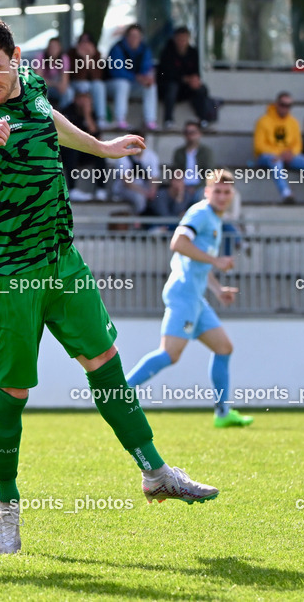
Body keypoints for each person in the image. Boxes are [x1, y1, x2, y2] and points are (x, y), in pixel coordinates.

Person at [0, 8, 218, 555]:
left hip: (62, 259)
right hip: (9, 270)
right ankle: (6, 502)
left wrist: (103, 148)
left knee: (105, 362)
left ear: (15, 58)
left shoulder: (34, 85)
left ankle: (155, 472)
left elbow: (54, 124)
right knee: (13, 390)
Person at [126, 170, 252, 427]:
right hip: (183, 294)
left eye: (226, 192)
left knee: (224, 348)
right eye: (217, 191)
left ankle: (223, 413)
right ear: (207, 192)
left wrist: (218, 290)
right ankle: (119, 393)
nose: (222, 196)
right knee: (170, 354)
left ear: (232, 195)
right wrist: (216, 260)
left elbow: (198, 264)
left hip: (196, 298)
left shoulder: (215, 219)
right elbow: (178, 243)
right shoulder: (200, 213)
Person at [253, 91, 304, 204]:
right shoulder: (263, 121)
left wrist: (291, 153)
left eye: (288, 105)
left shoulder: (293, 122)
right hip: (267, 156)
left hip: (288, 155)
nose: (285, 108)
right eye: (283, 104)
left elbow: (298, 144)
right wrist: (280, 154)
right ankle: (285, 193)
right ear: (276, 104)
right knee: (276, 162)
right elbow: (259, 146)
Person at [157, 26, 216, 128]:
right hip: (168, 87)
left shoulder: (193, 52)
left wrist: (195, 80)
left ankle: (203, 118)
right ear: (175, 39)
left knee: (201, 89)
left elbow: (196, 72)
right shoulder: (166, 53)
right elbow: (166, 74)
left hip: (186, 88)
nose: (182, 42)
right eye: (180, 39)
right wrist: (184, 79)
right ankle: (168, 119)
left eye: (184, 39)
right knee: (172, 88)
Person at [107, 24, 158, 130]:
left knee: (150, 86)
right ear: (126, 37)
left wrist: (145, 78)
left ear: (141, 38)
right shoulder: (117, 48)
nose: (134, 39)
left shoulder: (144, 49)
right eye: (131, 36)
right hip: (112, 85)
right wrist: (136, 77)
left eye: (137, 36)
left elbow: (146, 67)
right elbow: (117, 72)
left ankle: (150, 121)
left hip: (134, 85)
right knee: (123, 84)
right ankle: (120, 119)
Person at [61, 91, 108, 202]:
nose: (84, 102)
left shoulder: (91, 113)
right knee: (72, 149)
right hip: (66, 153)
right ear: (75, 100)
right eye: (81, 98)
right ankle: (72, 189)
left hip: (83, 152)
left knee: (101, 152)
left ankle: (101, 190)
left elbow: (97, 137)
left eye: (86, 99)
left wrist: (87, 116)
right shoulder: (67, 112)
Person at [68, 32, 107, 126]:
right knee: (83, 84)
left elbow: (97, 77)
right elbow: (78, 76)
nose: (85, 44)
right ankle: (79, 118)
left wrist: (88, 59)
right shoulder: (72, 53)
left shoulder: (96, 54)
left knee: (99, 85)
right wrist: (82, 58)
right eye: (82, 41)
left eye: (88, 41)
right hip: (74, 84)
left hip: (91, 85)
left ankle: (101, 118)